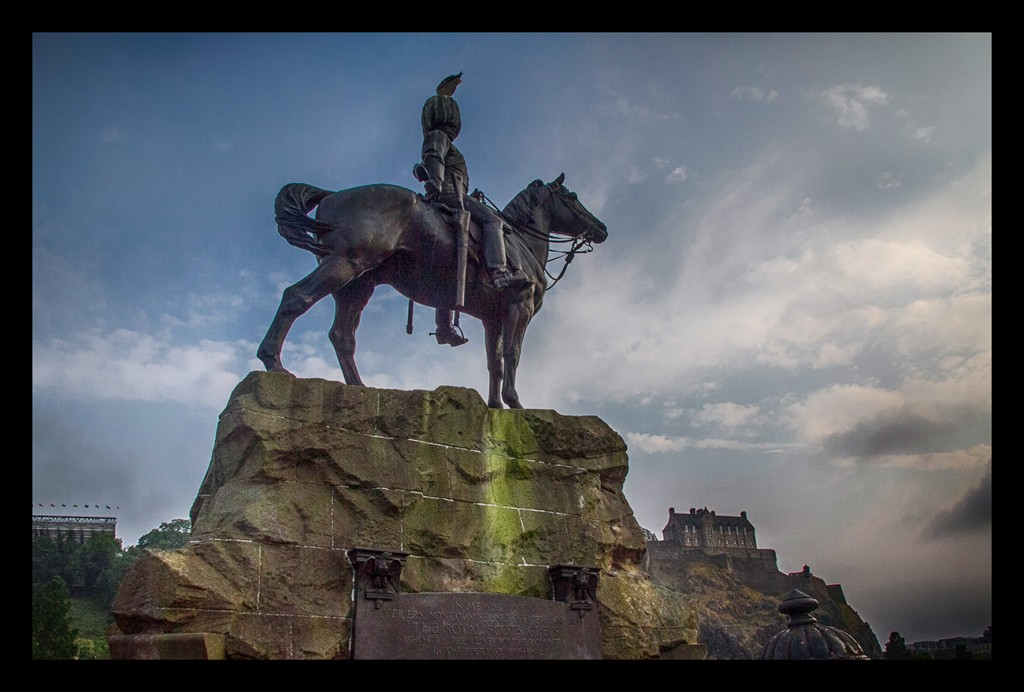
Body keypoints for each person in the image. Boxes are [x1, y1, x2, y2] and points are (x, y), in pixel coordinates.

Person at [414, 73, 530, 347]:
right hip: (449, 195)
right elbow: (433, 156)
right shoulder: (439, 136)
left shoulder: (441, 139)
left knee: (449, 267)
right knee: (493, 220)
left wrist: (466, 195)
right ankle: (499, 272)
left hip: (456, 194)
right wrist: (436, 182)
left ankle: (444, 327)